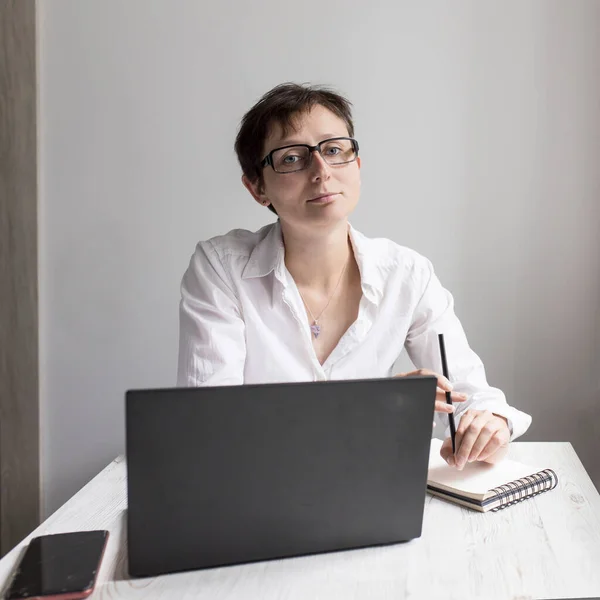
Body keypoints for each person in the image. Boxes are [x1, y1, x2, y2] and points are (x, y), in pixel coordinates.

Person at [177, 82, 531, 470]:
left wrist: (488, 425)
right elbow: (207, 425)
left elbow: (471, 394)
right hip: (254, 492)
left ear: (357, 165)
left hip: (368, 485)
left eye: (333, 150)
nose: (321, 171)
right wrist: (369, 403)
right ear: (257, 188)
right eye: (293, 158)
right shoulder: (222, 267)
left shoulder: (406, 274)